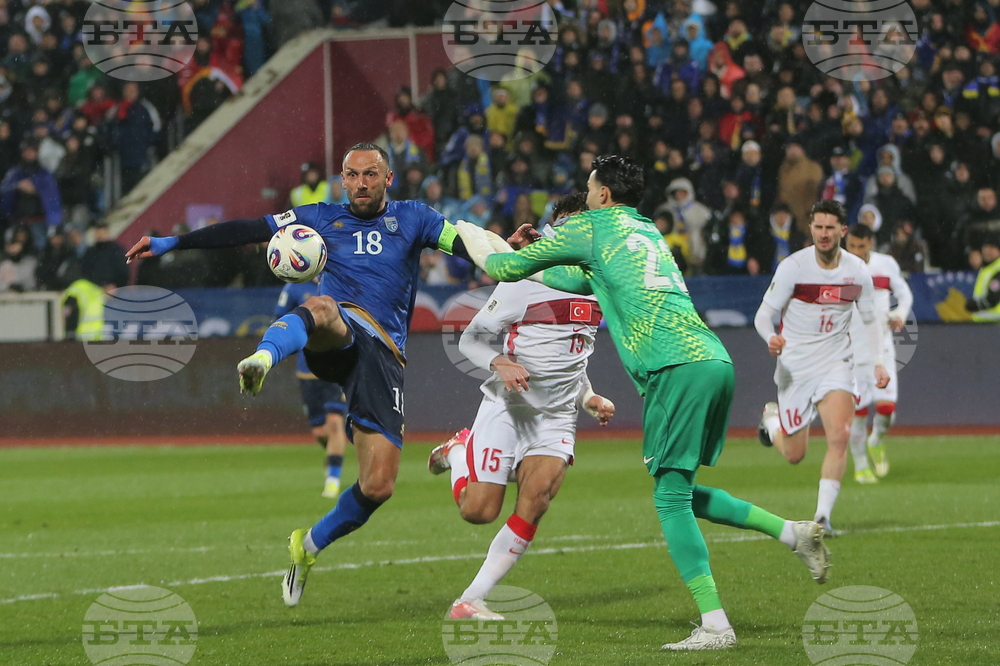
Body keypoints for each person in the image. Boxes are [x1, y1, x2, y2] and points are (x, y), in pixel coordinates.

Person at [454, 155, 832, 651]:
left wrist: (473, 238)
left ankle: (716, 624)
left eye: (590, 188)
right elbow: (569, 280)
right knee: (680, 491)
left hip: (672, 368)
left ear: (603, 194)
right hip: (713, 360)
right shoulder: (645, 230)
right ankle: (792, 534)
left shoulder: (590, 225)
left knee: (670, 499)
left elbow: (502, 266)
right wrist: (538, 258)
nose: (587, 195)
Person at [125, 143, 475, 608]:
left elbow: (464, 242)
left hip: (385, 355)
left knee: (379, 485)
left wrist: (504, 253)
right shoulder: (321, 217)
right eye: (351, 175)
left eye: (370, 175)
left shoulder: (415, 218)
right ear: (342, 179)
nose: (360, 184)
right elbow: (250, 229)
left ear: (388, 179)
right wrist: (172, 242)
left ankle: (306, 546)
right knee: (323, 307)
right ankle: (263, 359)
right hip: (340, 333)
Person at [427, 193, 616, 620]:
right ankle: (459, 452)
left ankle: (470, 600)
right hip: (508, 408)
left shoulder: (598, 282)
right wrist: (501, 362)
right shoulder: (526, 277)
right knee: (479, 511)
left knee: (537, 500)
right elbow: (470, 339)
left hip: (556, 415)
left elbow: (572, 359)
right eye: (566, 224)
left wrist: (589, 398)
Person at [753, 200, 890, 533]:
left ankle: (822, 517)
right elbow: (763, 315)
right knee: (795, 454)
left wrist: (878, 362)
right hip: (795, 366)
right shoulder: (794, 268)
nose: (824, 234)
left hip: (835, 362)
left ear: (842, 230)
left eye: (830, 227)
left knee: (840, 435)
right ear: (810, 228)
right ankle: (772, 421)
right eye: (818, 227)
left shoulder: (857, 271)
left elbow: (871, 320)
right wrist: (771, 337)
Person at [845, 223, 913, 483]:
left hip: (881, 348)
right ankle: (861, 465)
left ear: (870, 244)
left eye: (862, 246)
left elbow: (905, 295)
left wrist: (899, 314)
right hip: (850, 350)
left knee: (886, 408)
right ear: (846, 244)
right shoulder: (837, 268)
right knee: (859, 413)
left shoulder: (886, 264)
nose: (857, 251)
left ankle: (876, 440)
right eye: (852, 246)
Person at [275, 277, 349, 498]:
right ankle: (334, 455)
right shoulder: (294, 287)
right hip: (306, 369)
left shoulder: (338, 280)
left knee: (335, 423)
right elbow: (280, 320)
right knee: (320, 432)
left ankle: (333, 481)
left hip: (335, 365)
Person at [965, 234, 1000, 321]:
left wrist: (973, 305)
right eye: (985, 247)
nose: (987, 251)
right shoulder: (987, 268)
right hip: (985, 323)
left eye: (992, 247)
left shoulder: (997, 268)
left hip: (994, 322)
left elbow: (993, 299)